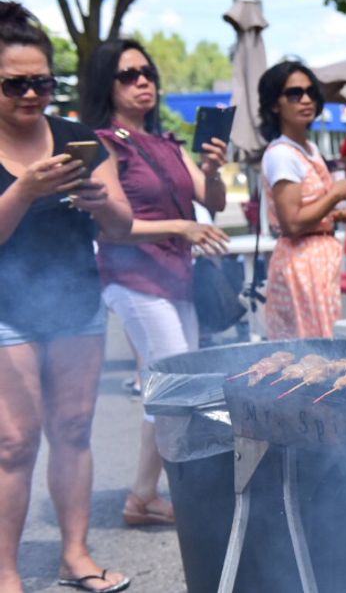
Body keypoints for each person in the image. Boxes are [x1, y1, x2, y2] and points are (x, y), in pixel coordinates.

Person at [0, 2, 133, 593]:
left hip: (77, 303)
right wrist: (25, 190)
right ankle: (4, 569)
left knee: (74, 428)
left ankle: (74, 554)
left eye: (42, 82)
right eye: (14, 84)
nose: (32, 94)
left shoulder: (79, 137)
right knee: (13, 442)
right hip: (6, 312)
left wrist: (103, 204)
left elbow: (122, 227)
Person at [81, 38, 230, 530]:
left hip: (176, 276)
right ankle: (175, 491)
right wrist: (180, 227)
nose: (143, 81)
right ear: (108, 83)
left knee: (174, 387)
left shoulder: (166, 143)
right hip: (132, 276)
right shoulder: (103, 142)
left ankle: (144, 496)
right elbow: (108, 226)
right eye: (128, 74)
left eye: (147, 72)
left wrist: (211, 170)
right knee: (176, 386)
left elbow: (214, 201)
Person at [259, 61, 346, 339]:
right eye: (294, 93)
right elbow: (291, 223)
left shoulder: (308, 148)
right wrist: (335, 194)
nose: (306, 99)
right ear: (275, 104)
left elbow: (311, 212)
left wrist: (345, 213)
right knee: (314, 353)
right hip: (301, 263)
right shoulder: (282, 154)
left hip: (317, 259)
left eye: (311, 92)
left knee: (324, 344)